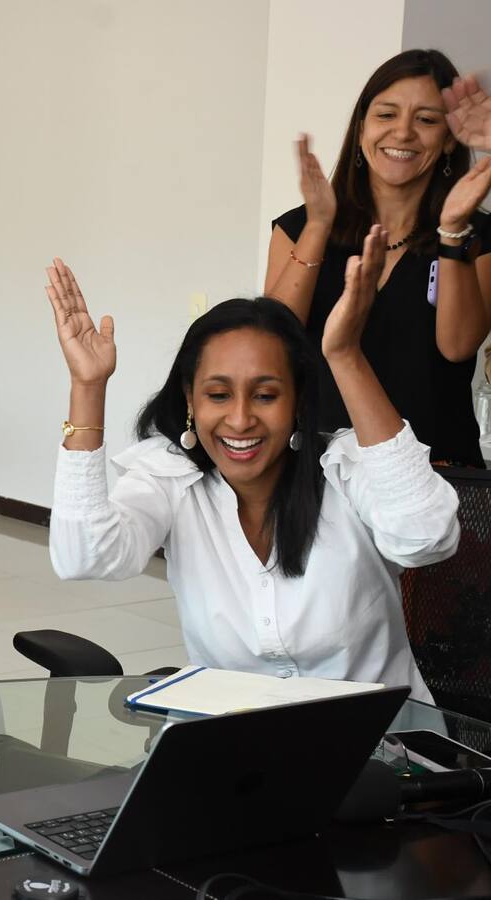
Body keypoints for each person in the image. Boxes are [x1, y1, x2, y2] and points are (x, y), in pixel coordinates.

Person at [46, 226, 459, 701]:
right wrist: (87, 388)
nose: (240, 420)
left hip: (379, 752)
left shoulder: (346, 469)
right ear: (190, 400)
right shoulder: (170, 476)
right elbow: (84, 556)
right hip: (237, 744)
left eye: (265, 395)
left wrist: (345, 356)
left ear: (298, 401)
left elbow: (428, 537)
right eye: (218, 395)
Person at [265, 49, 491, 466]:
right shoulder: (299, 227)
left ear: (447, 141)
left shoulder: (476, 235)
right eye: (386, 115)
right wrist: (318, 225)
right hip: (320, 472)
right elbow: (273, 341)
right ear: (362, 128)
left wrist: (452, 229)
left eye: (426, 120)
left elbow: (458, 346)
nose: (403, 133)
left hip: (434, 472)